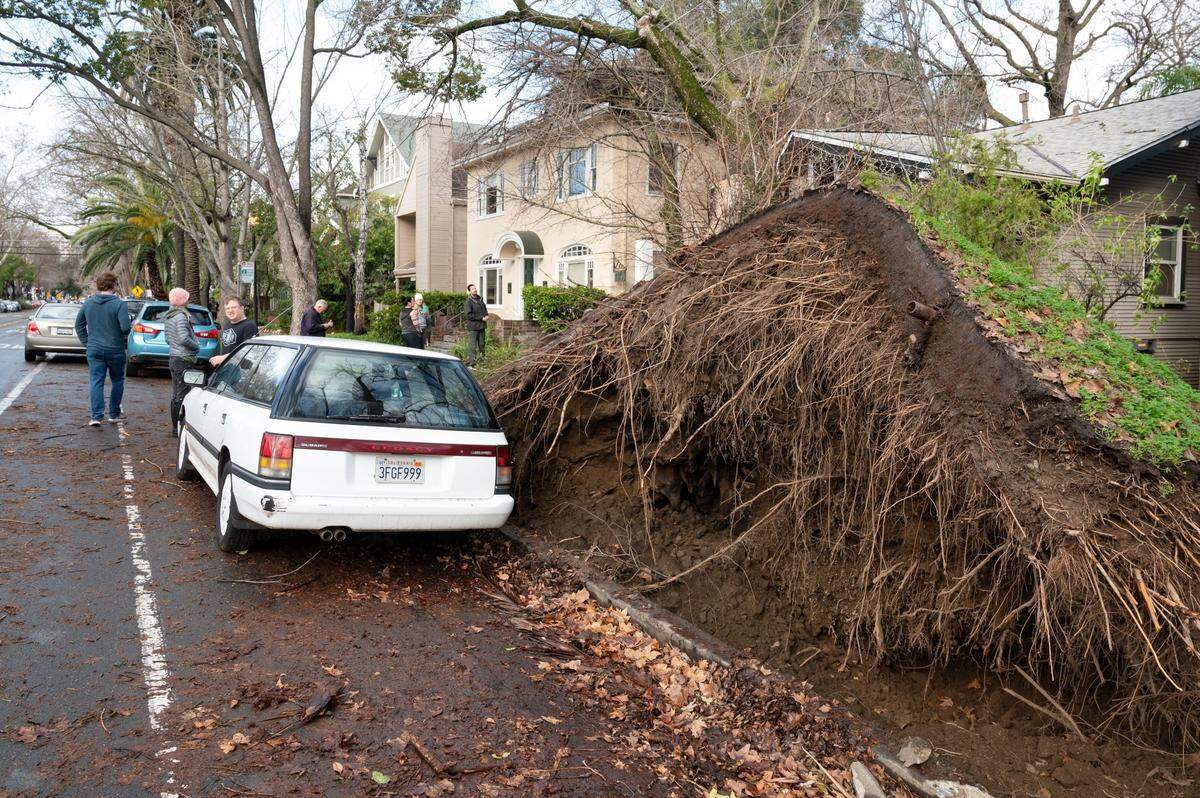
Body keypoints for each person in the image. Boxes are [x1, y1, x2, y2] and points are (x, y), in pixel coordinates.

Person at [75, 271, 132, 426]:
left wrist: (87, 342)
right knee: (117, 380)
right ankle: (113, 414)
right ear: (113, 285)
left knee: (96, 381)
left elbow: (78, 325)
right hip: (115, 349)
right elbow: (126, 328)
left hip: (94, 349)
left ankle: (96, 416)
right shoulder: (119, 304)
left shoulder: (88, 303)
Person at [163, 287, 199, 436]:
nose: (188, 301)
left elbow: (167, 338)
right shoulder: (181, 316)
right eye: (187, 298)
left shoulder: (169, 316)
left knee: (176, 393)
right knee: (182, 394)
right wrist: (196, 345)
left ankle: (175, 427)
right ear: (183, 301)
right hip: (183, 358)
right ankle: (177, 428)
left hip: (174, 357)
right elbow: (184, 338)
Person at [210, 296, 258, 368]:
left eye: (233, 307)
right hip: (227, 370)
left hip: (242, 372)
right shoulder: (227, 325)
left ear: (242, 308)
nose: (230, 311)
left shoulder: (249, 326)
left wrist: (223, 358)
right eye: (227, 308)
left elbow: (250, 351)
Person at [464, 283, 488, 365]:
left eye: (475, 288)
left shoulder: (480, 299)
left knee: (482, 345)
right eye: (473, 289)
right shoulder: (468, 302)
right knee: (473, 346)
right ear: (470, 291)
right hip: (473, 328)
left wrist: (486, 315)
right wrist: (481, 318)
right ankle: (472, 363)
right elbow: (469, 315)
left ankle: (482, 361)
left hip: (482, 327)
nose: (475, 290)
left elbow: (484, 309)